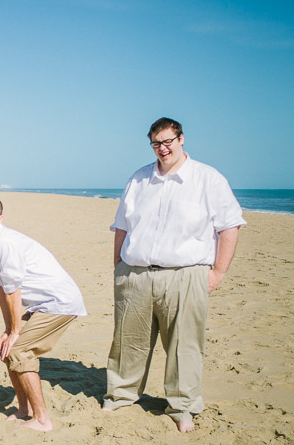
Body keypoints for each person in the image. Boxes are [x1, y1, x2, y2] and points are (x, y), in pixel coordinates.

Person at [103, 117, 244, 433]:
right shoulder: (139, 179)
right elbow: (122, 226)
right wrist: (118, 266)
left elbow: (229, 226)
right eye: (156, 143)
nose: (162, 148)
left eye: (167, 141)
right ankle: (121, 396)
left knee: (184, 345)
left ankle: (182, 406)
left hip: (185, 274)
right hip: (135, 274)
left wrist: (218, 271)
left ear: (181, 139)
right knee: (128, 342)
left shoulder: (207, 178)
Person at [0, 195, 86, 432]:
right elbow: (0, 288)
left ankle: (43, 419)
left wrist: (16, 331)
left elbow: (13, 290)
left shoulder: (7, 243)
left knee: (20, 350)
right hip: (40, 304)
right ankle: (23, 409)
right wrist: (7, 331)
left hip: (59, 302)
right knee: (7, 350)